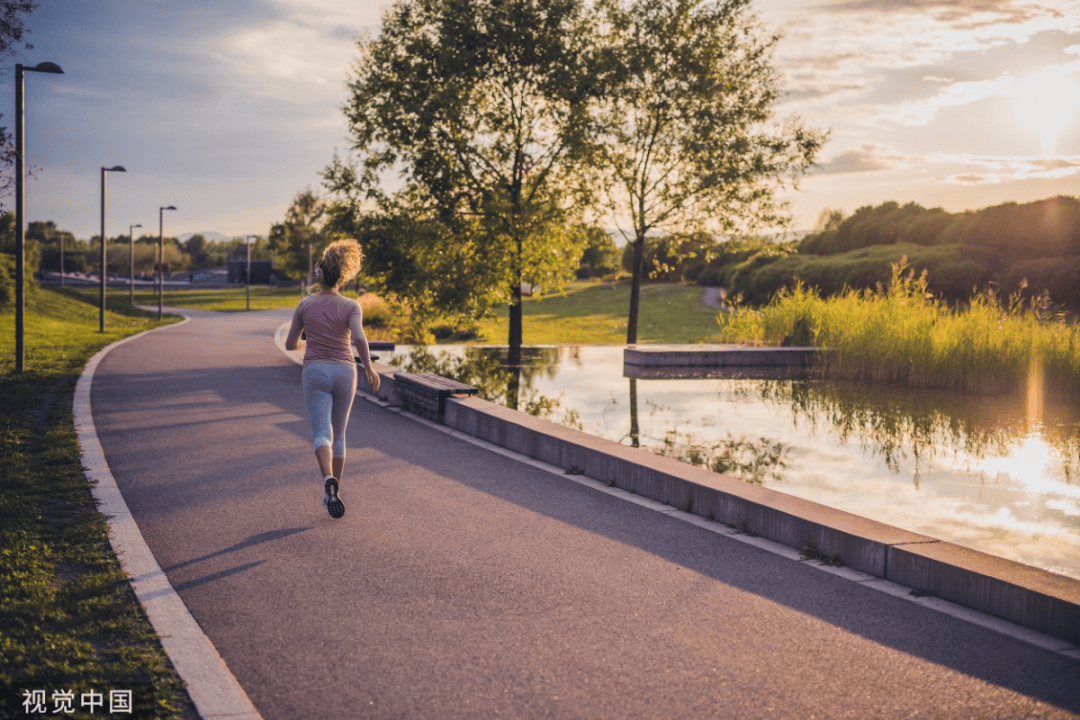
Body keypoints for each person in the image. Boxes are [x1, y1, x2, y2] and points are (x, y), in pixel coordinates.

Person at [285, 239, 381, 519]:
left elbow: (291, 344)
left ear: (320, 274)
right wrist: (369, 369)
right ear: (342, 276)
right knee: (339, 435)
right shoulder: (352, 306)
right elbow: (359, 338)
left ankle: (327, 478)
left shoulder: (305, 304)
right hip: (345, 370)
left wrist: (308, 338)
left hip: (315, 370)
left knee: (321, 433)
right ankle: (335, 492)